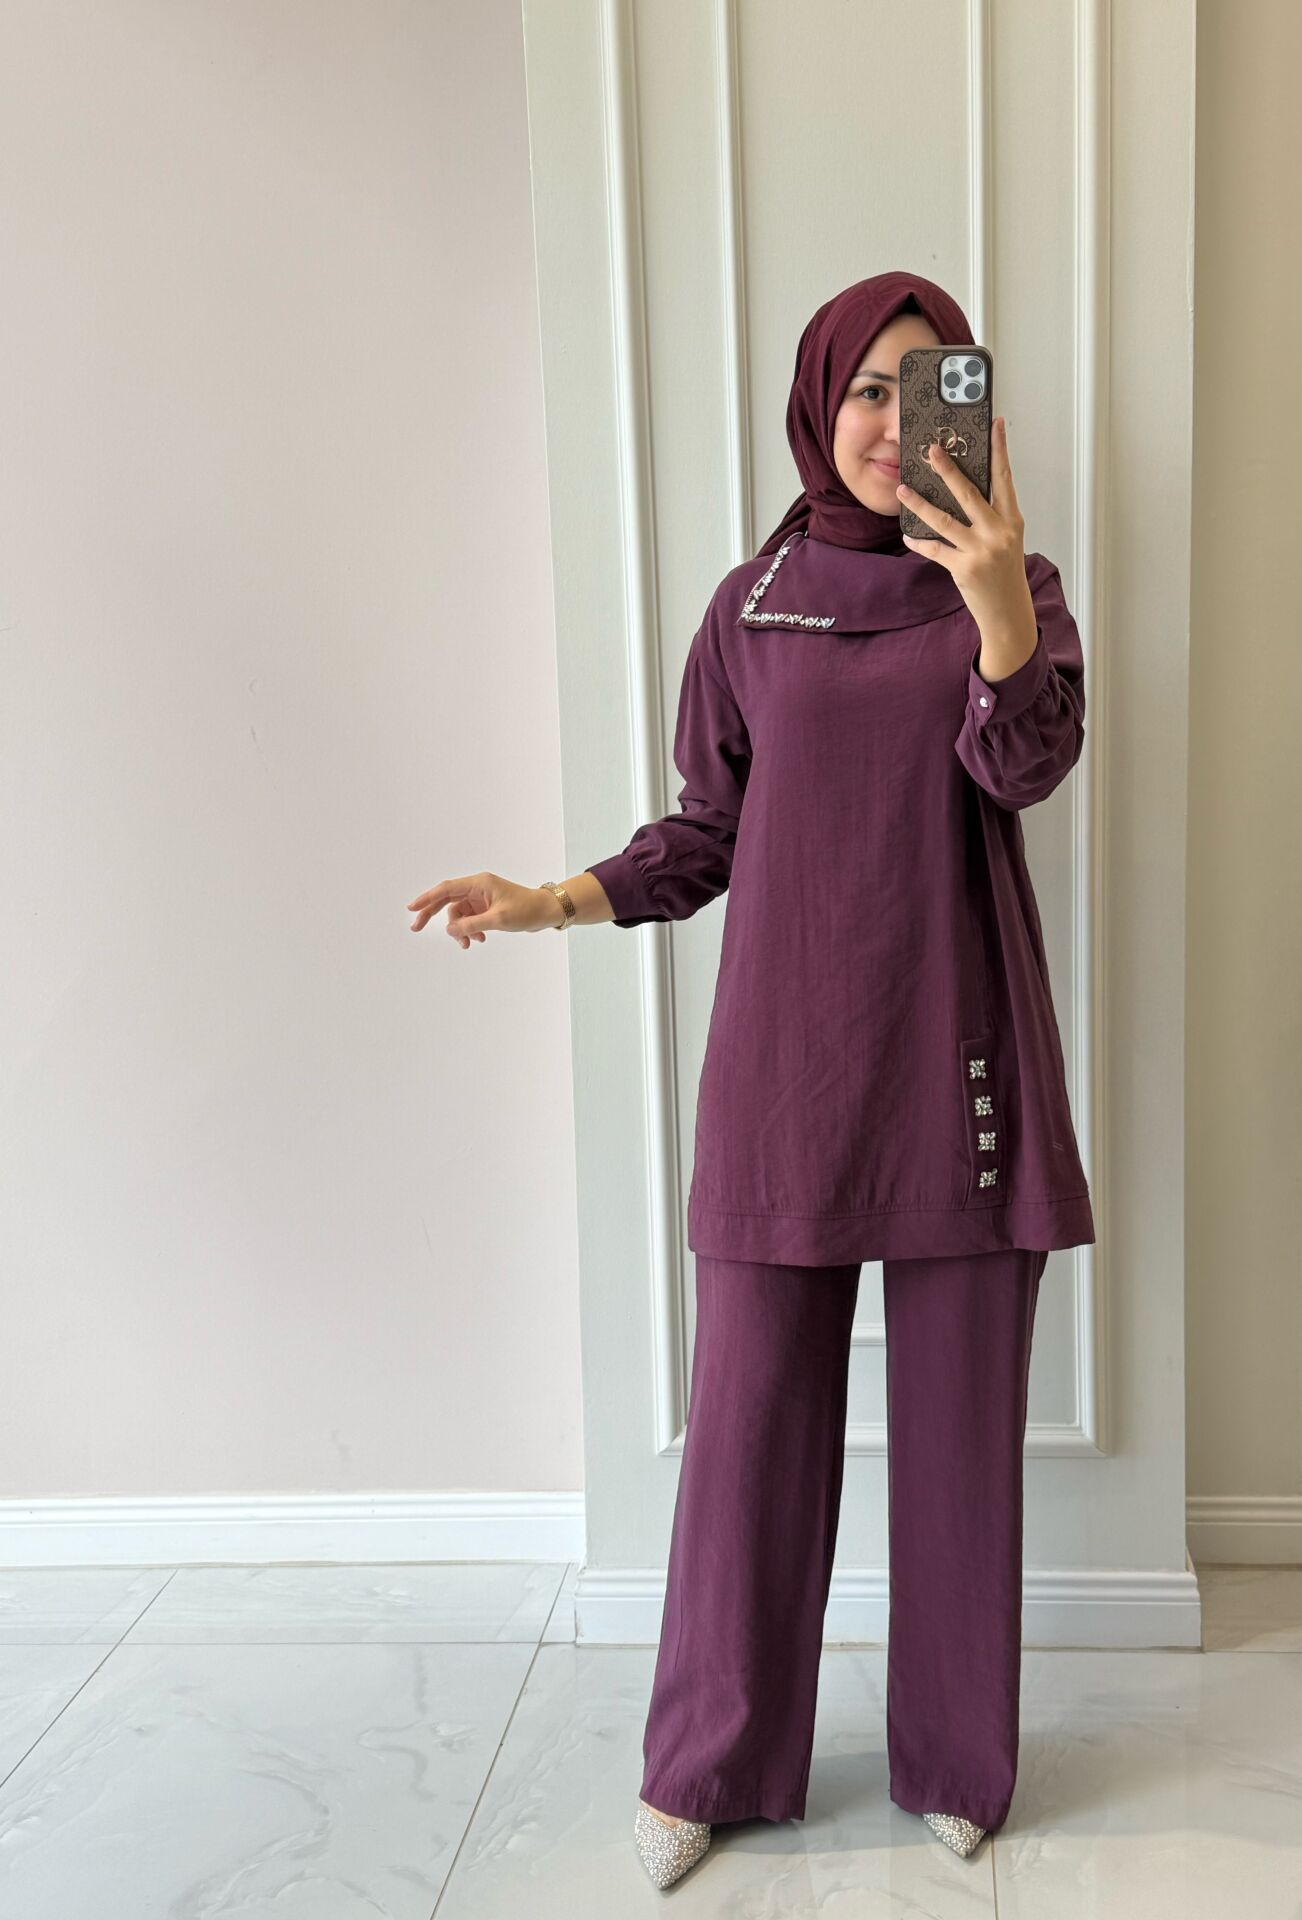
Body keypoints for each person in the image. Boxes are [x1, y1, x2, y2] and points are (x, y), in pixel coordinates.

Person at [405, 271, 1095, 1887]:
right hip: (786, 1071)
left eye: (927, 387)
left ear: (974, 412)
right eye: (865, 389)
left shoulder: (1015, 583)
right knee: (745, 1436)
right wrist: (548, 897)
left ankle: (955, 1759)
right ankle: (708, 1761)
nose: (891, 422)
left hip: (957, 1054)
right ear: (813, 406)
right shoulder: (749, 605)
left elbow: (1028, 764)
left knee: (957, 1441)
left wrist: (994, 602)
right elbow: (705, 830)